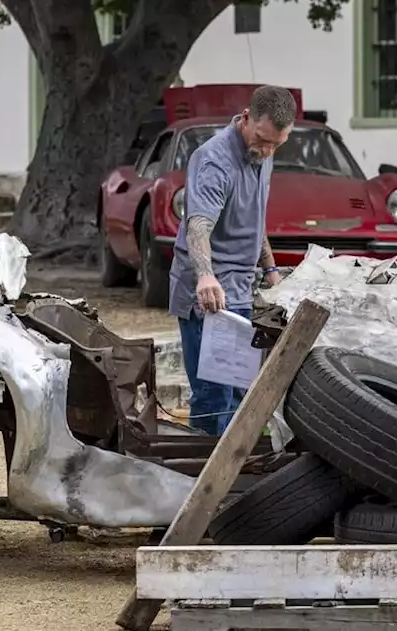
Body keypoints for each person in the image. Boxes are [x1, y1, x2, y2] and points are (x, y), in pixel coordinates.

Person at [168, 85, 295, 435]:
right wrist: (205, 277)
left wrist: (270, 269)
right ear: (245, 119)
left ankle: (236, 478)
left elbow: (254, 218)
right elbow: (198, 226)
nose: (267, 150)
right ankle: (202, 481)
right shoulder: (214, 161)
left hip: (240, 290)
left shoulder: (262, 156)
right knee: (214, 396)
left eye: (276, 145)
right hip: (208, 296)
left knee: (240, 392)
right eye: (262, 139)